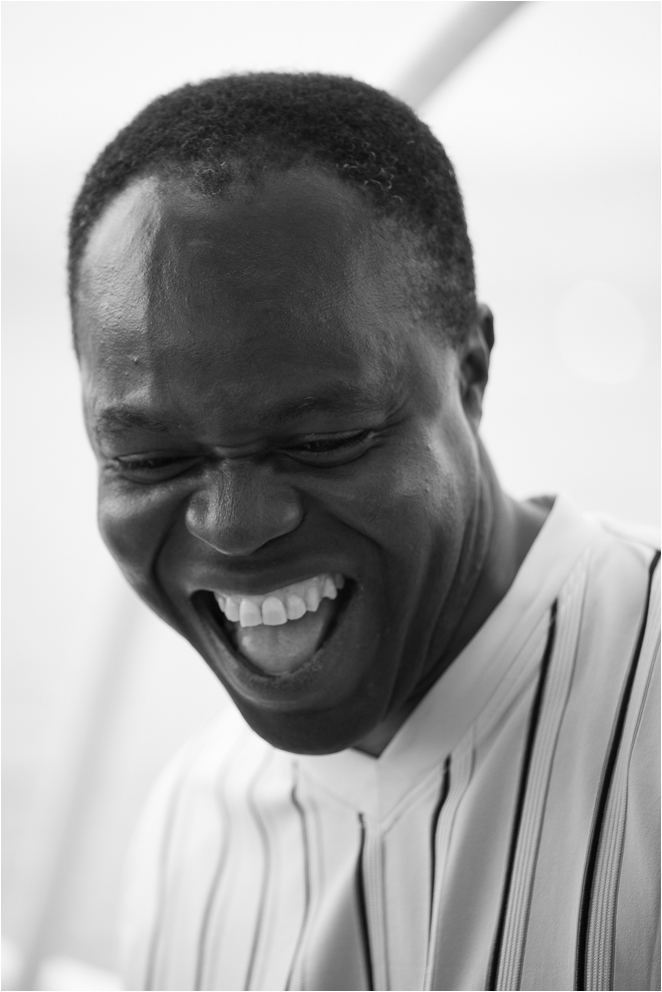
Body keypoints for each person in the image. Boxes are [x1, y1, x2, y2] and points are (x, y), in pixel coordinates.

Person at [70, 74, 659, 991]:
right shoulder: (189, 830)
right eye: (151, 460)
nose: (234, 526)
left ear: (471, 372)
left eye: (323, 440)